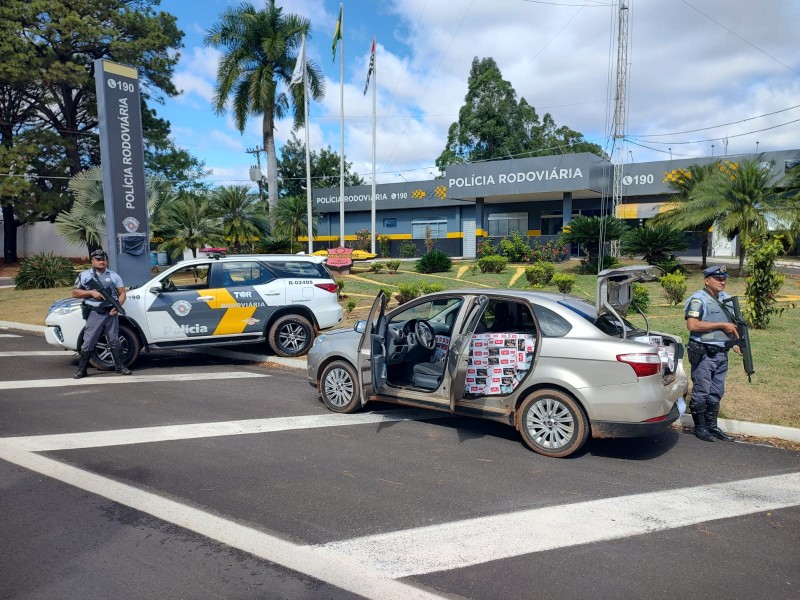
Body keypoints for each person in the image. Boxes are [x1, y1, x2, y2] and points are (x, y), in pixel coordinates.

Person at [684, 265, 740, 442]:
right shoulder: (698, 300)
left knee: (716, 391)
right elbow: (692, 325)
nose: (722, 282)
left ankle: (712, 426)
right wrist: (722, 326)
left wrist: (736, 342)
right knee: (702, 391)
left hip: (722, 353)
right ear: (707, 280)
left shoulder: (727, 299)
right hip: (704, 353)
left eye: (724, 279)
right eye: (718, 279)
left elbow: (734, 324)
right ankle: (700, 428)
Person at [71, 249, 132, 378]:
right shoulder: (85, 275)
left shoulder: (114, 275)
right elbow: (75, 293)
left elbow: (122, 294)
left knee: (114, 339)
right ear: (92, 261)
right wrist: (91, 292)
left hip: (111, 312)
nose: (101, 262)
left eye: (103, 259)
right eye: (98, 260)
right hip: (95, 312)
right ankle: (82, 370)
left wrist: (118, 306)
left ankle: (120, 366)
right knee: (89, 341)